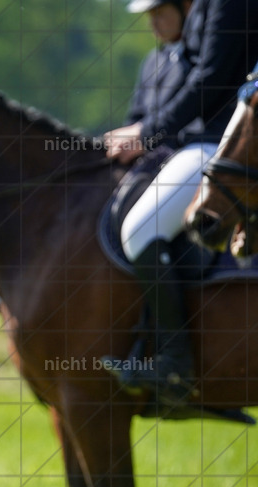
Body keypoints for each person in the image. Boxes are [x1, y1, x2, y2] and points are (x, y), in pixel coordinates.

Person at [103, 0, 258, 407]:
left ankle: (175, 363)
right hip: (197, 139)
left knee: (140, 230)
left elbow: (211, 77)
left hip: (224, 145)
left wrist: (148, 132)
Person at [123, 0, 197, 134]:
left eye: (159, 14)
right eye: (150, 16)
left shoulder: (197, 57)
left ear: (186, 7)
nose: (153, 23)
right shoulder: (152, 61)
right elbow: (136, 116)